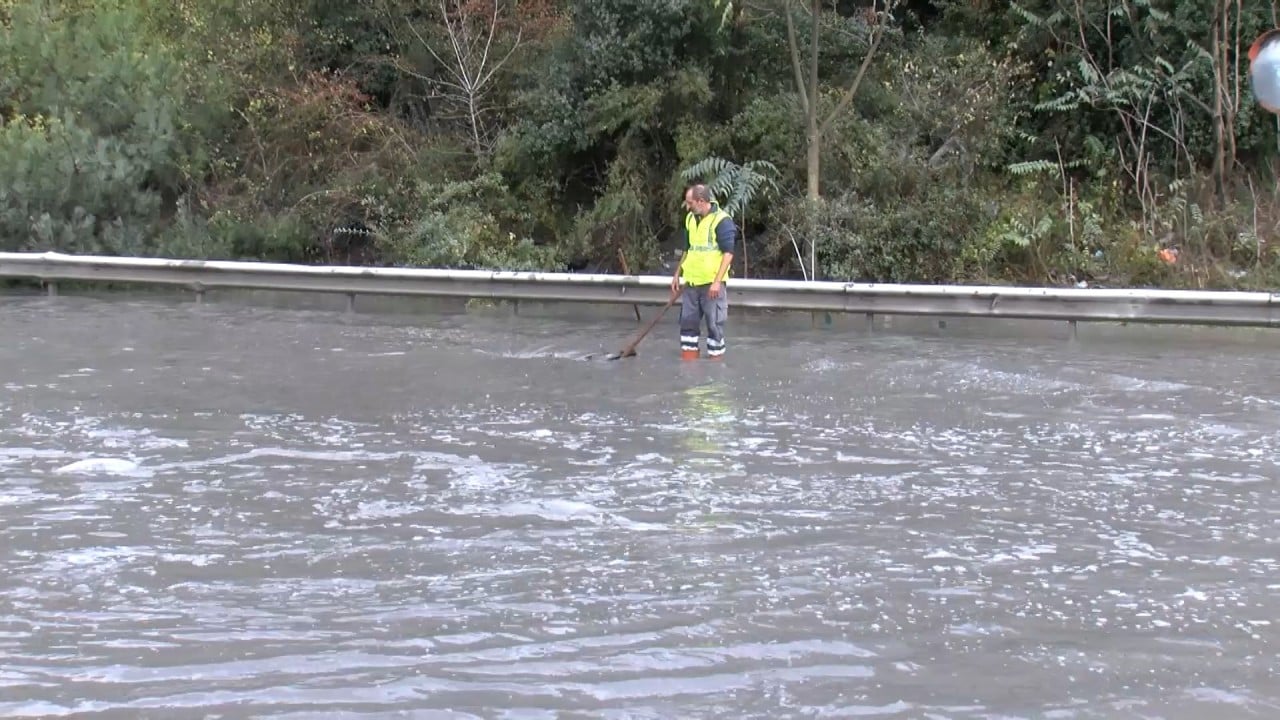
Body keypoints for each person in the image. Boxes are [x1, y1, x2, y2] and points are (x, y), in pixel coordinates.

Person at [669, 184, 736, 360]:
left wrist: (716, 282)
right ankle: (690, 372)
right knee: (688, 327)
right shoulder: (690, 218)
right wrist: (677, 274)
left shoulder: (722, 221)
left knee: (714, 327)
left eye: (690, 203)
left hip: (712, 286)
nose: (688, 206)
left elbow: (728, 254)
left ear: (701, 201)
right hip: (691, 283)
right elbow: (687, 249)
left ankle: (715, 372)